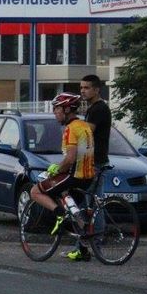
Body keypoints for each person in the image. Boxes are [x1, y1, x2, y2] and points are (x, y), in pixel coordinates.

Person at [29, 93, 96, 255]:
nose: (54, 112)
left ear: (66, 109)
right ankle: (82, 250)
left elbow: (70, 158)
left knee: (35, 191)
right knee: (74, 209)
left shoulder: (70, 129)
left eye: (56, 108)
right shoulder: (85, 126)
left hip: (74, 176)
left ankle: (59, 214)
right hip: (88, 177)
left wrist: (56, 169)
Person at [59, 74, 113, 261]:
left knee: (89, 205)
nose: (82, 90)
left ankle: (92, 245)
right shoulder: (92, 108)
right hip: (90, 162)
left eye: (87, 88)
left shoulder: (99, 109)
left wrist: (71, 125)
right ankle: (84, 248)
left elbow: (85, 133)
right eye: (81, 87)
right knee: (86, 205)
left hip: (94, 163)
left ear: (97, 89)